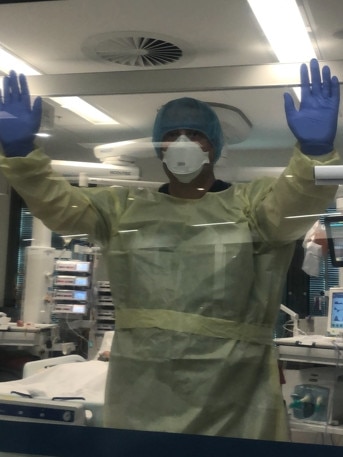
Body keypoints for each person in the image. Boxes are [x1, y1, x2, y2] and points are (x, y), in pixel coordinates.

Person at [0, 58, 340, 442]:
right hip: (142, 391)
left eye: (195, 134)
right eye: (172, 134)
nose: (182, 143)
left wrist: (316, 152)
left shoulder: (252, 206)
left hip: (235, 392)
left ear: (214, 145)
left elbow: (296, 205)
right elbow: (58, 206)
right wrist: (21, 155)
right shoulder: (121, 207)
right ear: (160, 148)